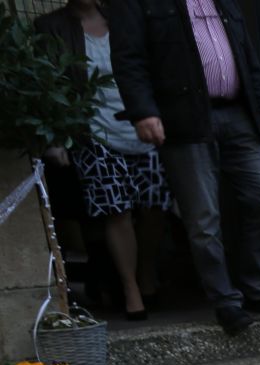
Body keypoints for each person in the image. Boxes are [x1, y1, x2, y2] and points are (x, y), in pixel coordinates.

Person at [107, 0, 260, 335]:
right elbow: (128, 59)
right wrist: (143, 110)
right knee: (203, 218)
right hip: (186, 118)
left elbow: (248, 57)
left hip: (239, 114)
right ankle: (225, 300)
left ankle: (259, 289)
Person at [36, 0, 171, 321]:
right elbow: (49, 84)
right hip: (92, 132)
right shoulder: (51, 27)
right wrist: (56, 138)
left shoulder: (127, 15)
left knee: (155, 205)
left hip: (143, 125)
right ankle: (131, 290)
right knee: (115, 209)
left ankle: (147, 272)